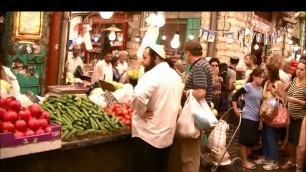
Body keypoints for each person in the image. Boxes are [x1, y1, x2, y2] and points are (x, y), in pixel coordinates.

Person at [131, 44, 182, 172]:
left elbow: (138, 95)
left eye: (145, 57)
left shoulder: (152, 74)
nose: (142, 61)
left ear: (156, 58)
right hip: (166, 135)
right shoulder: (175, 75)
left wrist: (141, 111)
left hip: (148, 135)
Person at [180, 40, 213, 172]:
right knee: (192, 154)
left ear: (188, 53)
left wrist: (183, 91)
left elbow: (200, 93)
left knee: (189, 156)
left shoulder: (199, 66)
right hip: (196, 116)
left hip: (193, 117)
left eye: (184, 54)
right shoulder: (203, 64)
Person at [254, 63, 286, 170]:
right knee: (265, 136)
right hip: (265, 113)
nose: (264, 72)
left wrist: (275, 93)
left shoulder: (278, 84)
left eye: (266, 70)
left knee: (272, 137)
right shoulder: (267, 82)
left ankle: (273, 160)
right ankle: (266, 156)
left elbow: (284, 100)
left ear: (271, 72)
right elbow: (264, 98)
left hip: (274, 115)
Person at [232, 68, 265, 170]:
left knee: (251, 141)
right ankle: (245, 161)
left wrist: (260, 120)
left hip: (256, 117)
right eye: (260, 77)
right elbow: (235, 96)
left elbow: (261, 105)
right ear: (254, 76)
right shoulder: (248, 86)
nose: (262, 79)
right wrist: (236, 110)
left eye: (263, 77)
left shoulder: (261, 89)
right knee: (244, 140)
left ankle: (244, 160)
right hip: (247, 116)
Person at [281, 60, 306, 170]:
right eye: (298, 69)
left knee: (298, 143)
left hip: (301, 117)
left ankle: (298, 164)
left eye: (302, 69)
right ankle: (292, 160)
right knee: (291, 140)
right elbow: (287, 94)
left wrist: (296, 101)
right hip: (290, 115)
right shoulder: (294, 80)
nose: (299, 71)